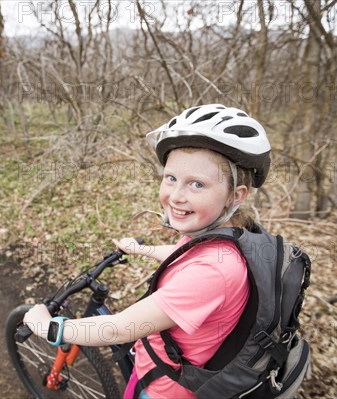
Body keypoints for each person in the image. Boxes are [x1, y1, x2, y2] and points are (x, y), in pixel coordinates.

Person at [23, 104, 272, 399]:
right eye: (171, 178)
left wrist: (48, 327)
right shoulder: (223, 237)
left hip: (165, 391)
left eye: (197, 184)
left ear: (235, 196)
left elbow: (120, 328)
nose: (176, 196)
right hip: (160, 366)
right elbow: (185, 257)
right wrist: (142, 249)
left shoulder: (214, 271)